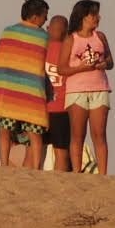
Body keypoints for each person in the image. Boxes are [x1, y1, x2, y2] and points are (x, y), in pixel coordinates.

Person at [0, 0, 52, 169]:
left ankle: (4, 164)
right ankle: (36, 166)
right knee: (34, 132)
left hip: (9, 89)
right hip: (32, 91)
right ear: (35, 16)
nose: (46, 19)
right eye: (44, 16)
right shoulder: (43, 36)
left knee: (5, 129)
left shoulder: (8, 31)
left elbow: (0, 59)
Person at [60, 0, 114, 175]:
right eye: (94, 14)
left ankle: (103, 173)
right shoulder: (71, 39)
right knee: (78, 134)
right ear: (84, 17)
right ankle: (77, 171)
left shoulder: (101, 37)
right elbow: (61, 68)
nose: (98, 17)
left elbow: (111, 61)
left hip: (99, 88)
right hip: (77, 90)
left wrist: (103, 63)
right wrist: (80, 68)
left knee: (99, 134)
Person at [41, 14, 73, 172]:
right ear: (66, 32)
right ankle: (59, 183)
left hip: (39, 107)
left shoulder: (40, 48)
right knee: (61, 152)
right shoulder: (69, 50)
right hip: (62, 108)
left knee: (33, 150)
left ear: (48, 29)